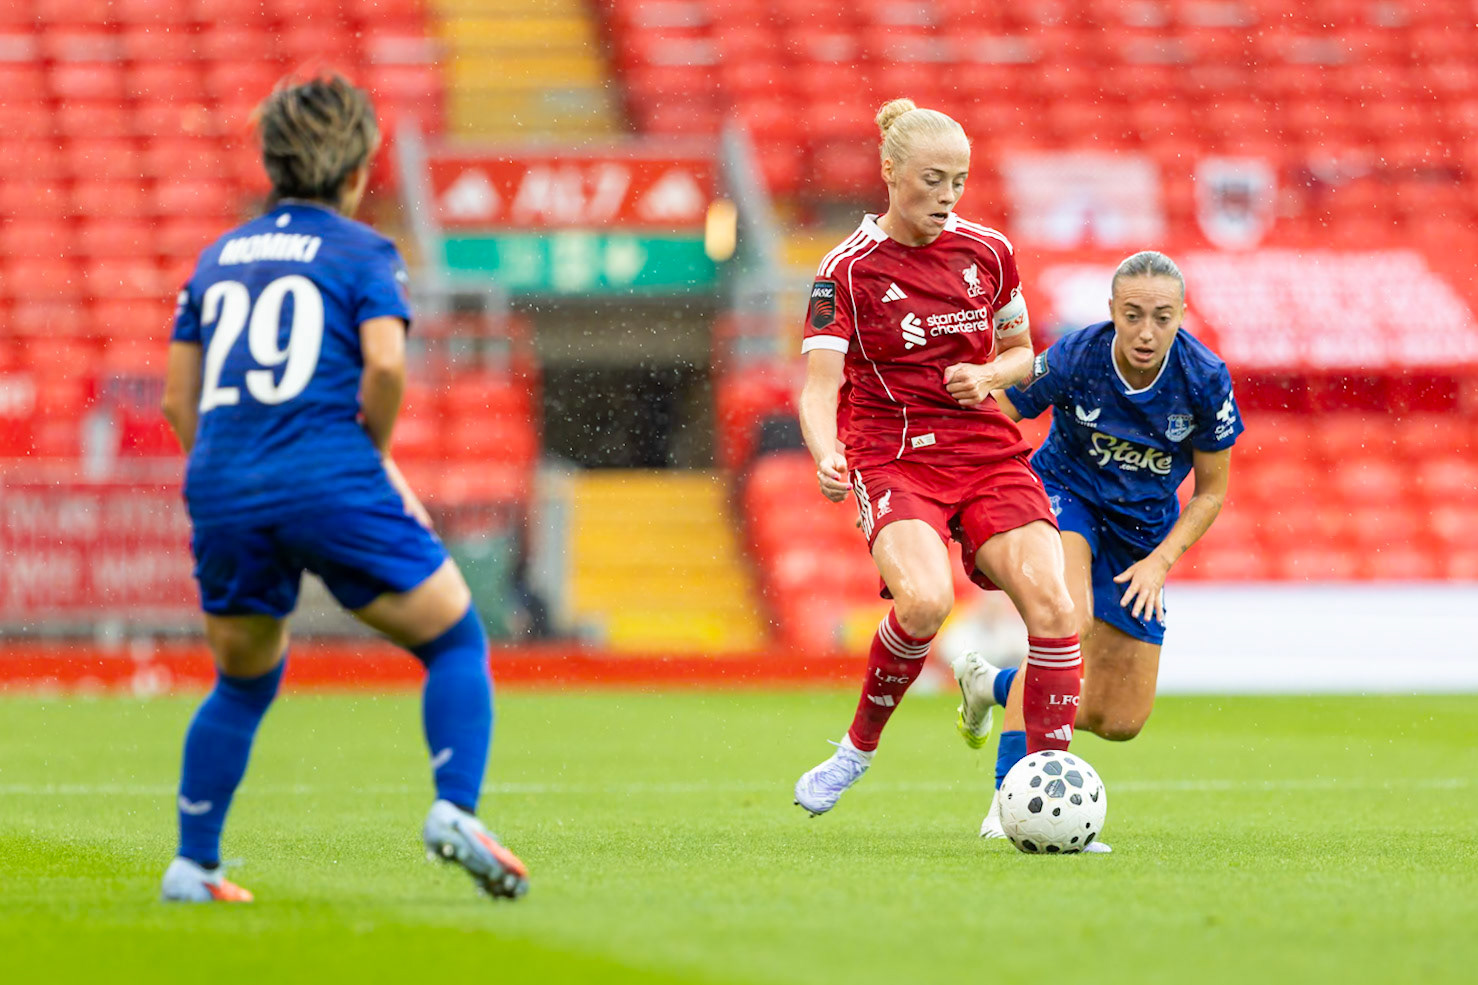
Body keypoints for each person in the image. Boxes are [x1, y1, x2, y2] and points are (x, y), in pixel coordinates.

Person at [157, 74, 528, 902]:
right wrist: (372, 452)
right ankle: (454, 808)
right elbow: (387, 363)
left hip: (223, 480)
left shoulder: (218, 257)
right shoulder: (363, 250)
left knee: (244, 679)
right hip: (328, 468)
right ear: (358, 168)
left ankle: (194, 862)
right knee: (453, 638)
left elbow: (178, 400)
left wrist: (233, 473)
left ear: (272, 163)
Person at [792, 98, 1081, 816]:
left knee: (1054, 604)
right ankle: (856, 750)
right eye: (932, 179)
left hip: (980, 444)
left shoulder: (988, 251)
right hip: (892, 451)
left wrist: (987, 376)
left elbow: (1022, 354)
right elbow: (817, 387)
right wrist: (828, 455)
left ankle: (1039, 790)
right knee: (924, 602)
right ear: (890, 172)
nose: (947, 197)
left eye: (959, 180)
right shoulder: (846, 270)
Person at [957, 250, 1242, 849]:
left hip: (1143, 534)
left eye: (1162, 318)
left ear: (1182, 315)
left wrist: (1161, 562)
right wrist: (975, 486)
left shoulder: (1205, 379)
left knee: (1119, 719)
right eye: (1133, 315)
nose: (1146, 332)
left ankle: (993, 686)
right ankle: (1008, 798)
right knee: (1068, 619)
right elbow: (1002, 412)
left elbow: (1212, 492)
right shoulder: (1077, 355)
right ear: (1112, 310)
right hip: (1064, 497)